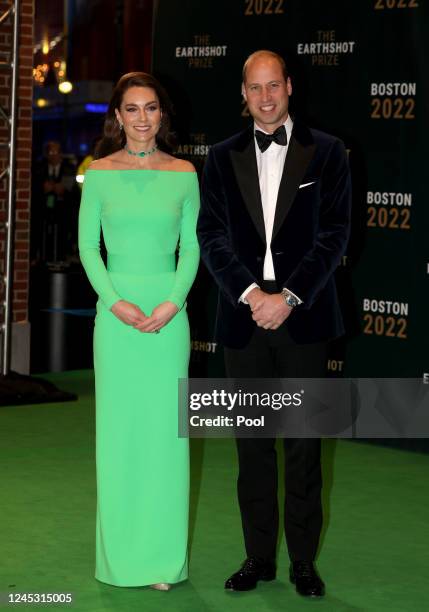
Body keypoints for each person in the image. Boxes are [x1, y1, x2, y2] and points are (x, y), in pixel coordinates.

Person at [197, 50, 351, 598]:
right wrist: (249, 295)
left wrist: (286, 296)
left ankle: (303, 563)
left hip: (303, 318)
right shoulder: (219, 157)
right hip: (243, 319)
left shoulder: (327, 152)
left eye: (274, 86)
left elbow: (334, 236)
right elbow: (211, 236)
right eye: (254, 88)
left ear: (289, 86)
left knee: (304, 447)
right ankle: (258, 557)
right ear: (243, 93)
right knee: (252, 446)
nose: (265, 98)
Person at [78, 72, 200, 590]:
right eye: (132, 109)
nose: (143, 118)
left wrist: (173, 302)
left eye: (151, 108)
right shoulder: (98, 173)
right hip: (116, 322)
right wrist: (114, 301)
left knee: (165, 442)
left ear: (162, 115)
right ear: (118, 117)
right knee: (120, 438)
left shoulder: (186, 173)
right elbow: (88, 248)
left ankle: (161, 562)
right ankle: (121, 558)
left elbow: (192, 248)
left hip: (169, 323)